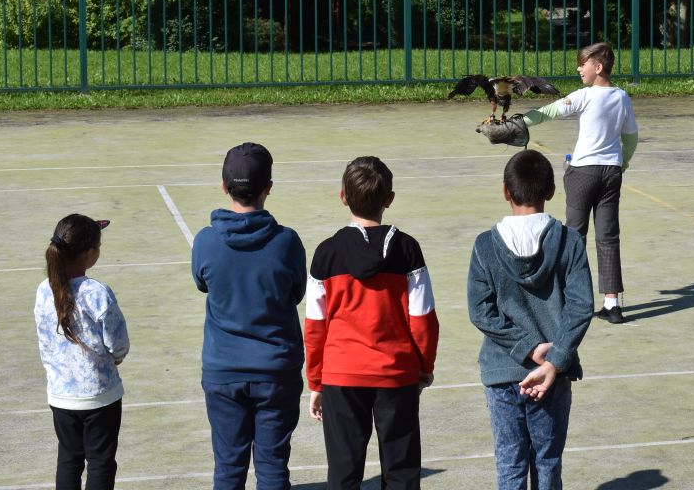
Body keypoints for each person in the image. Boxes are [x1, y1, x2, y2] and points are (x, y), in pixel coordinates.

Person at [304, 156, 439, 490]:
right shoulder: (408, 250)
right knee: (402, 473)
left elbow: (315, 327)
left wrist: (316, 381)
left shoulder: (326, 253)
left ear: (343, 197)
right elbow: (423, 320)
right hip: (396, 374)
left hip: (341, 375)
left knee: (343, 474)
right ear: (389, 199)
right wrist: (423, 367)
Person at [467, 149, 593, 490]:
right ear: (551, 191)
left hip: (501, 371)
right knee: (547, 461)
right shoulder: (569, 240)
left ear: (505, 191)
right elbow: (581, 306)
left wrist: (526, 347)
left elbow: (481, 311)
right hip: (553, 373)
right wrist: (554, 359)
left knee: (509, 463)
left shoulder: (485, 244)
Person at [192, 142, 307, 490]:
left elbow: (202, 283)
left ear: (223, 186)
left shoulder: (206, 241)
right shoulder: (287, 242)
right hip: (276, 370)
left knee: (228, 468)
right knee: (273, 467)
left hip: (223, 370)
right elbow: (296, 293)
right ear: (268, 187)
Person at [520, 42, 638, 323]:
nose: (578, 68)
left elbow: (549, 111)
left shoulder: (584, 96)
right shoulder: (622, 97)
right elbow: (631, 138)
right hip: (611, 173)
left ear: (598, 67)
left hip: (583, 173)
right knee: (608, 237)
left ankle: (570, 302)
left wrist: (519, 122)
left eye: (583, 64)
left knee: (574, 237)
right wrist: (622, 162)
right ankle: (612, 305)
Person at [35, 214, 130, 490]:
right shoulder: (97, 292)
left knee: (68, 459)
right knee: (100, 462)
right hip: (99, 395)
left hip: (61, 394)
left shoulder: (44, 289)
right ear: (89, 254)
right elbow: (118, 342)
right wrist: (117, 358)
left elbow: (44, 339)